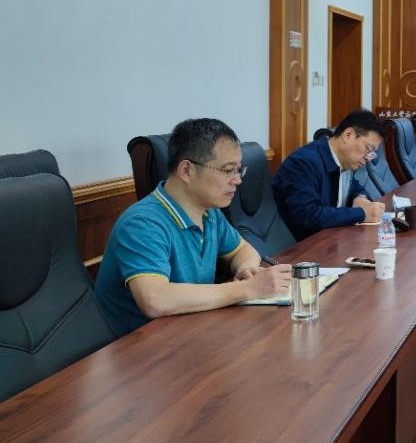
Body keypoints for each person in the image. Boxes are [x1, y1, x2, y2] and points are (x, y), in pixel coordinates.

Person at [94, 118, 292, 337]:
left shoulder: (209, 212)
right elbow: (155, 299)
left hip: (188, 333)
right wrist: (247, 289)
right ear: (187, 170)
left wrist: (247, 270)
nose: (237, 180)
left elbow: (244, 250)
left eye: (238, 170)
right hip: (138, 348)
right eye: (228, 170)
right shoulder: (142, 223)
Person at [273, 108, 386, 240]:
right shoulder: (303, 163)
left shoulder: (344, 161)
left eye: (372, 153)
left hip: (333, 239)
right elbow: (308, 216)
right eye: (368, 149)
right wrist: (362, 213)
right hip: (305, 246)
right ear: (348, 135)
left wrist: (360, 197)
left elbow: (354, 186)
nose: (368, 158)